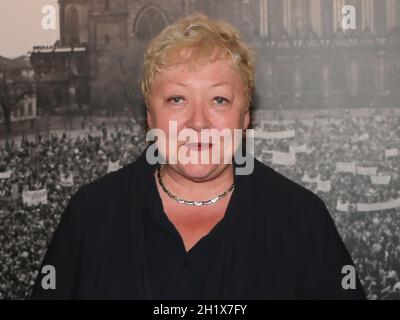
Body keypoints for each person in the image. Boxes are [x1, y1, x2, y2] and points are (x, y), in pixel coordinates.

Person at [31, 13, 365, 299]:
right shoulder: (89, 215)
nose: (198, 122)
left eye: (219, 100)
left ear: (246, 116)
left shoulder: (302, 219)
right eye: (177, 99)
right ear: (149, 116)